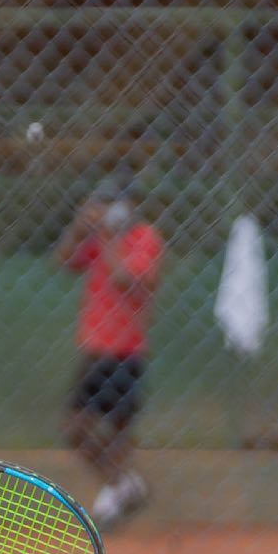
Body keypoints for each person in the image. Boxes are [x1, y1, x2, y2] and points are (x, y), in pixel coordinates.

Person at [55, 174, 164, 530]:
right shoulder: (98, 239)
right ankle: (122, 485)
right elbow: (64, 260)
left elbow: (124, 278)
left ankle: (115, 496)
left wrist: (107, 233)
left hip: (126, 352)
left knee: (118, 435)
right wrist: (79, 226)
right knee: (75, 427)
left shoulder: (143, 237)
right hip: (96, 349)